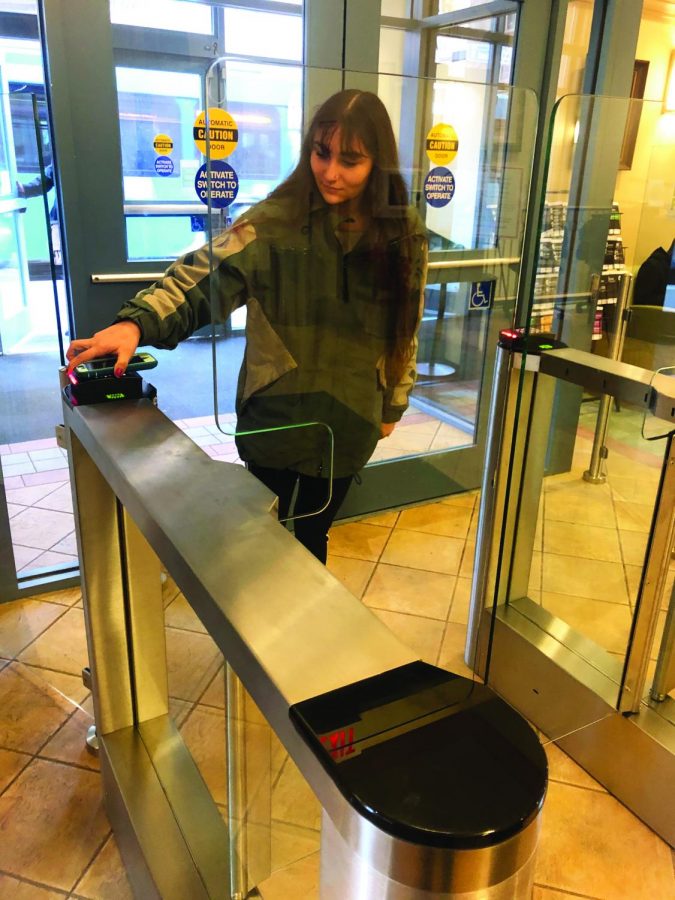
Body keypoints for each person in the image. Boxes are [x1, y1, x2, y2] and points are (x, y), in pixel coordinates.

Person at [66, 89, 428, 563]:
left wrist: (394, 402)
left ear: (377, 163)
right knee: (261, 542)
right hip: (275, 418)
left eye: (351, 160)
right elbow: (202, 274)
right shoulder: (275, 222)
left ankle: (297, 634)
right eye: (322, 153)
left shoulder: (402, 234)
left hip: (350, 422)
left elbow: (406, 326)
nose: (331, 172)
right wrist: (138, 323)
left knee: (313, 538)